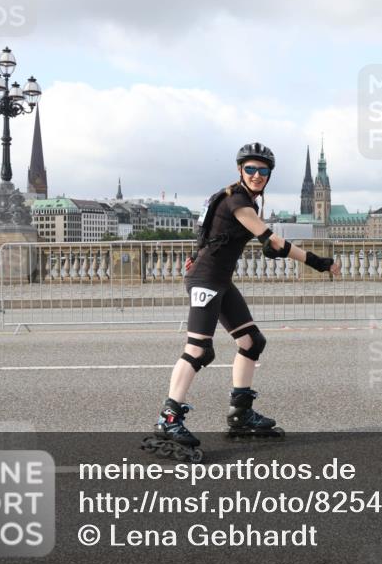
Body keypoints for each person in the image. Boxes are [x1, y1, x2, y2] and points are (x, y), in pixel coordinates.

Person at [145, 142, 340, 461]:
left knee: (251, 341)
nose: (257, 175)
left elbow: (209, 230)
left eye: (263, 171)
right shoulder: (238, 200)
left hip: (218, 280)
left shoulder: (237, 197)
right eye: (251, 169)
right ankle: (169, 419)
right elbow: (272, 241)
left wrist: (196, 254)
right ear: (240, 170)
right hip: (207, 280)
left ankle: (241, 412)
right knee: (199, 349)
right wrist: (320, 262)